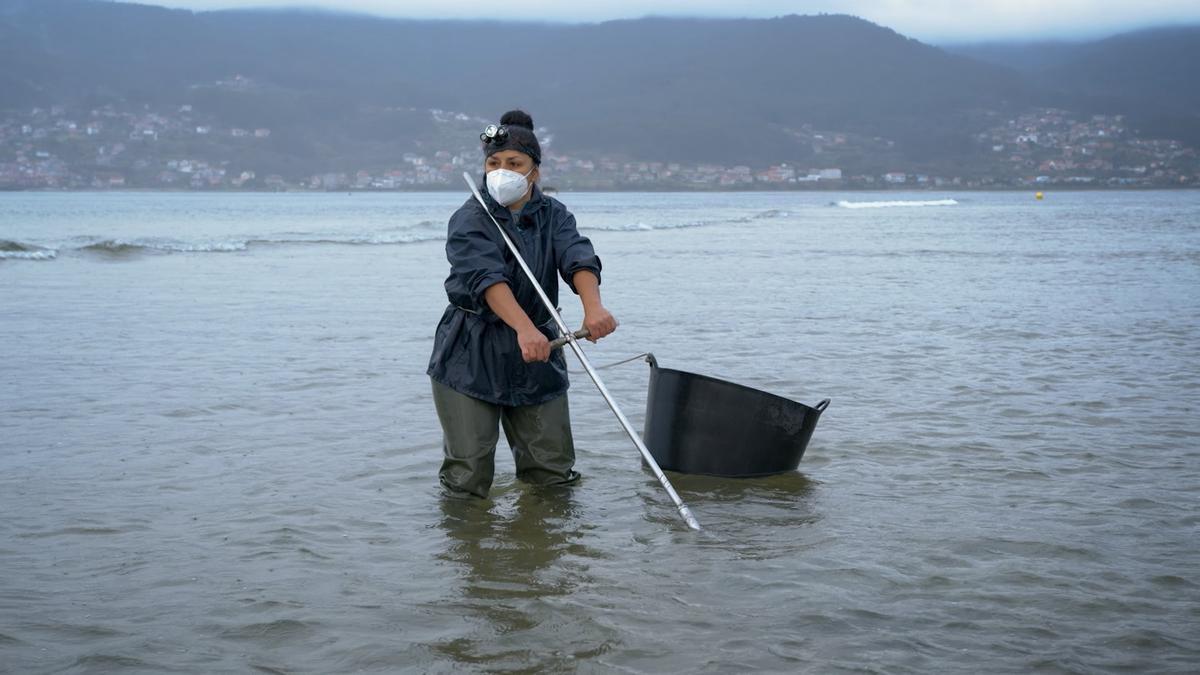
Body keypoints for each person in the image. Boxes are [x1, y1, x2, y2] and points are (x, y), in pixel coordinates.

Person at [427, 110, 617, 499]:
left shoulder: (555, 215)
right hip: (471, 350)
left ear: (535, 171)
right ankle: (468, 551)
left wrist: (593, 308)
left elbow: (577, 256)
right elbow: (486, 278)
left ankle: (546, 550)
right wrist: (523, 329)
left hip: (540, 348)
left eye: (514, 163)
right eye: (494, 163)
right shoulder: (470, 218)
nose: (502, 171)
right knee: (468, 473)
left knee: (551, 471)